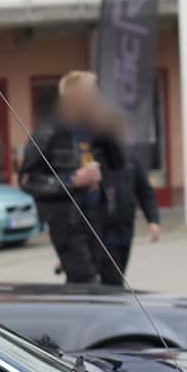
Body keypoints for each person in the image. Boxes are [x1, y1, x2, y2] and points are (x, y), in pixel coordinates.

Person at [19, 72, 116, 284]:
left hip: (96, 217)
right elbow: (27, 180)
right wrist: (71, 181)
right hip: (67, 221)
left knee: (92, 280)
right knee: (86, 281)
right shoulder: (48, 131)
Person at [99, 134, 161, 282]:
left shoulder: (130, 160)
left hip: (126, 230)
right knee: (113, 280)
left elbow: (145, 192)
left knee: (117, 276)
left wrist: (153, 220)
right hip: (103, 232)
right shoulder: (96, 159)